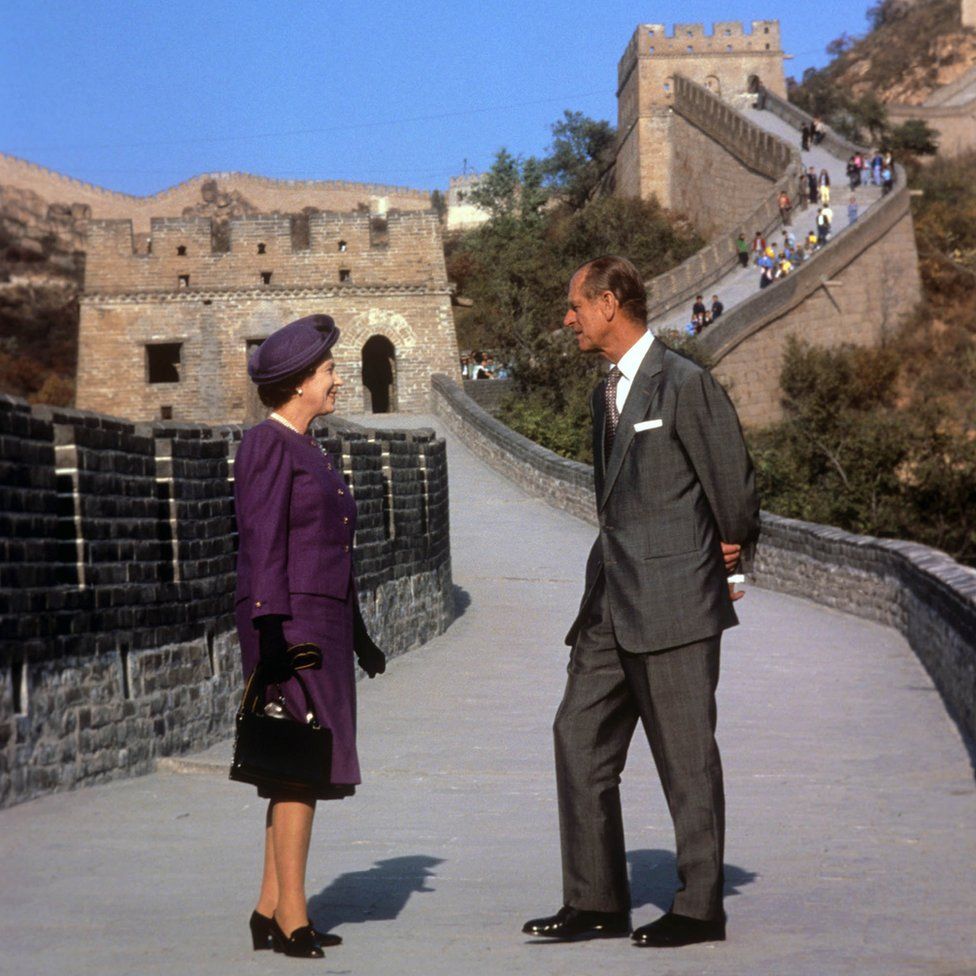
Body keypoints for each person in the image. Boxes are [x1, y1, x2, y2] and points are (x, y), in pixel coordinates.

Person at [522, 256, 760, 949]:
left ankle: (700, 906)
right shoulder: (604, 395)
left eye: (574, 307)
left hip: (677, 602)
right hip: (609, 604)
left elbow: (734, 489)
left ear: (608, 304)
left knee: (685, 758)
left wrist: (731, 548)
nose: (567, 320)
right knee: (577, 736)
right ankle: (596, 901)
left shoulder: (685, 385)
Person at [235, 314, 387, 958]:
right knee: (296, 769)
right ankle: (294, 916)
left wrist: (358, 633)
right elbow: (262, 539)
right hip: (289, 623)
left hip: (320, 620)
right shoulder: (268, 445)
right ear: (300, 383)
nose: (336, 379)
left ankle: (269, 907)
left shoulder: (309, 447)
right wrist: (269, 630)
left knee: (295, 764)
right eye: (328, 371)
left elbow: (332, 550)